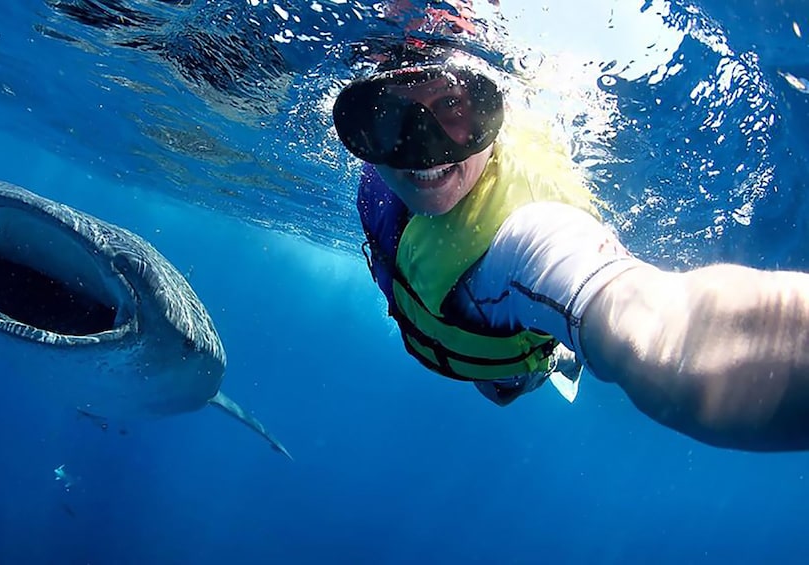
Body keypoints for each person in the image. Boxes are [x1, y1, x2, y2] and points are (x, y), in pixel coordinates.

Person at [332, 40, 809, 452]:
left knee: (503, 388)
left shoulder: (528, 235)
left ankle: (558, 354)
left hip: (499, 350)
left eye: (454, 110)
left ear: (487, 117)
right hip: (435, 310)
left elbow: (658, 318)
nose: (422, 151)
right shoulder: (383, 168)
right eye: (391, 118)